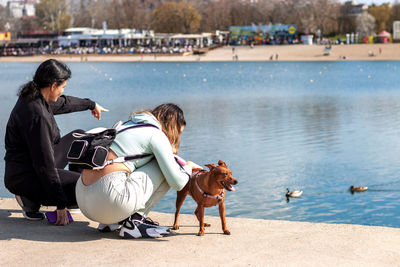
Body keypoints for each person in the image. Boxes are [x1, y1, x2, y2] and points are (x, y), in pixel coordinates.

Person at [4, 59, 108, 225]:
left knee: (81, 139)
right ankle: (30, 197)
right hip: (26, 176)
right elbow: (44, 165)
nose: (62, 91)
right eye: (62, 87)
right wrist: (60, 204)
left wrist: (91, 104)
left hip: (28, 167)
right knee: (87, 185)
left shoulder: (35, 97)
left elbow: (64, 103)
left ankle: (72, 195)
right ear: (53, 85)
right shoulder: (37, 114)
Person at [75, 103, 199, 239]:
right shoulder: (155, 134)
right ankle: (134, 223)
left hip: (84, 201)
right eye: (178, 132)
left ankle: (112, 222)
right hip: (109, 202)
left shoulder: (125, 125)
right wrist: (187, 167)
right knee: (166, 165)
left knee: (131, 165)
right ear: (172, 126)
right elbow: (178, 183)